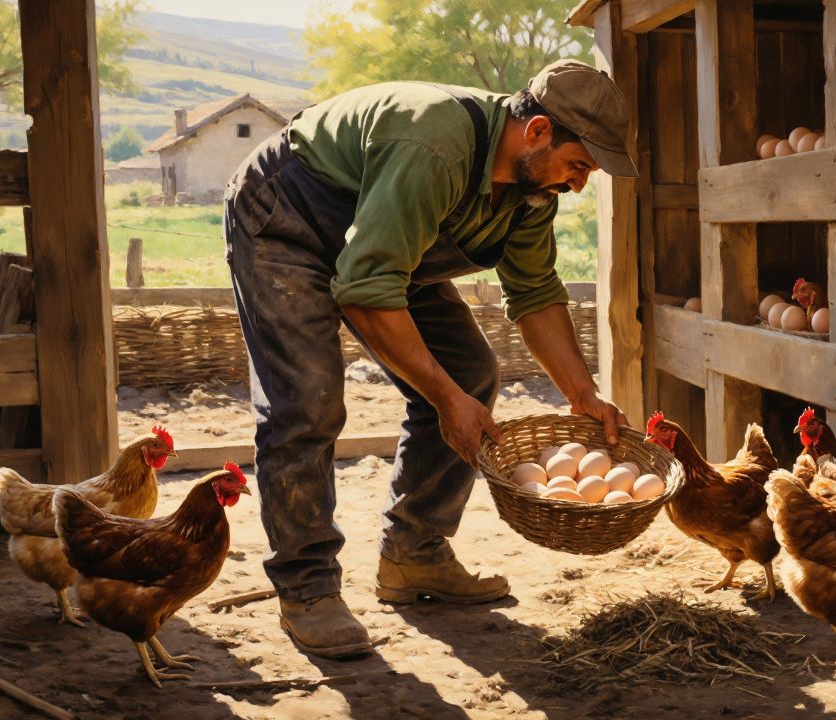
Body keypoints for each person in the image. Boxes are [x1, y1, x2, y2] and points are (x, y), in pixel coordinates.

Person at [224, 59, 637, 659]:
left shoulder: (532, 190)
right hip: (286, 221)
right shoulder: (434, 144)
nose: (578, 185)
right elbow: (366, 289)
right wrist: (444, 400)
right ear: (539, 131)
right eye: (579, 166)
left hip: (387, 249)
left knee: (473, 374)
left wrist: (582, 394)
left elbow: (536, 293)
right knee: (307, 401)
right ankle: (307, 587)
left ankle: (414, 556)